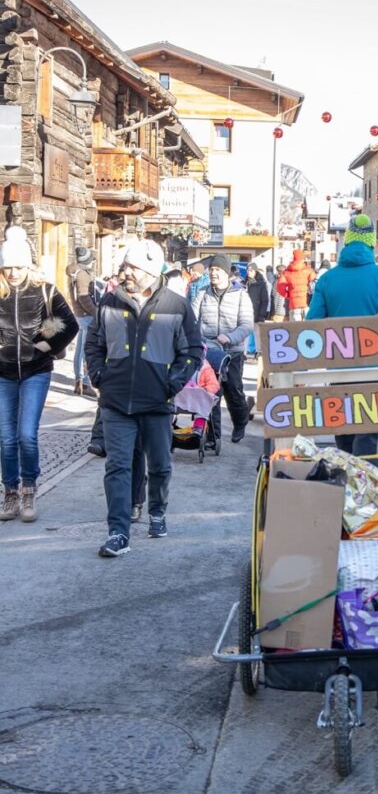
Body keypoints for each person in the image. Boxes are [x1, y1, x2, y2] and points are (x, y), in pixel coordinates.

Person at [85, 238, 202, 557]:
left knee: (161, 465)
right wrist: (99, 376)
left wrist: (172, 383)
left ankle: (158, 511)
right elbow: (93, 344)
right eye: (124, 267)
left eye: (130, 267)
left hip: (157, 402)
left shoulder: (176, 306)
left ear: (149, 271)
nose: (124, 273)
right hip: (116, 401)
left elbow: (193, 351)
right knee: (118, 466)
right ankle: (118, 533)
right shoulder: (108, 302)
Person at [306, 213, 378, 457]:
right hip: (375, 367)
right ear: (371, 243)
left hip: (338, 365)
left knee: (342, 421)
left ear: (346, 242)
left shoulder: (327, 279)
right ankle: (362, 480)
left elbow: (312, 324)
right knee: (368, 426)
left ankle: (345, 469)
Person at [0, 227, 78, 522]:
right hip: (3, 372)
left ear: (28, 265)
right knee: (6, 438)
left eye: (18, 266)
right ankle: (10, 492)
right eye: (7, 267)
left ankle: (29, 488)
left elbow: (69, 324)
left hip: (35, 371)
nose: (13, 272)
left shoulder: (44, 289)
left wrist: (47, 344)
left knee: (26, 435)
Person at [192, 254, 254, 443]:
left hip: (232, 351)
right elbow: (192, 320)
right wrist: (198, 339)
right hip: (208, 351)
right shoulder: (202, 292)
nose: (213, 273)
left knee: (233, 391)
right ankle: (213, 436)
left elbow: (246, 325)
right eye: (211, 270)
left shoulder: (241, 294)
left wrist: (229, 337)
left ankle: (240, 421)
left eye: (217, 270)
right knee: (211, 392)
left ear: (227, 273)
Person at [66, 245, 98, 397]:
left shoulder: (74, 272)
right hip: (86, 314)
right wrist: (96, 312)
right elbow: (84, 298)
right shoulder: (83, 275)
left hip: (79, 314)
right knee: (87, 350)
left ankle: (78, 381)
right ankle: (84, 383)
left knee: (80, 349)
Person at [276, 249, 315, 320]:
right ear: (302, 259)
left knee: (296, 329)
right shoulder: (309, 271)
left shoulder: (287, 272)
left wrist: (288, 295)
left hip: (294, 304)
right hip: (307, 303)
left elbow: (280, 287)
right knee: (308, 328)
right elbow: (313, 284)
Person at [245, 262, 270, 355]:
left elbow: (265, 300)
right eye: (247, 270)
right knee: (245, 334)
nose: (248, 272)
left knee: (258, 334)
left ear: (255, 271)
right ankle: (244, 352)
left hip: (257, 313)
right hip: (246, 313)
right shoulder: (245, 283)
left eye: (251, 270)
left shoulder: (261, 284)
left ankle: (259, 352)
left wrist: (262, 315)